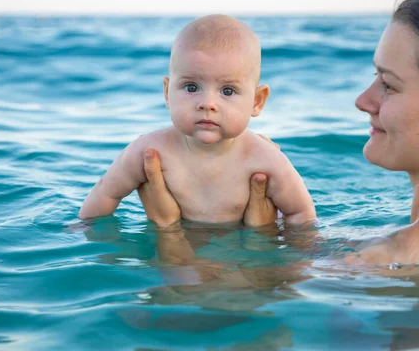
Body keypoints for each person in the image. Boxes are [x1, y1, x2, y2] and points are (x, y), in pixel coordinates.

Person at [138, 0, 419, 266]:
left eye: (388, 85)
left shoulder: (403, 261)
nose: (363, 100)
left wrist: (172, 231)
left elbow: (223, 309)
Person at [79, 14, 316, 227]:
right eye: (191, 87)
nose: (207, 103)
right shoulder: (149, 150)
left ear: (257, 102)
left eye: (228, 91)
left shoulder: (265, 159)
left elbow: (301, 215)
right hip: (181, 247)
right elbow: (106, 193)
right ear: (167, 93)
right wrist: (82, 237)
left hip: (241, 256)